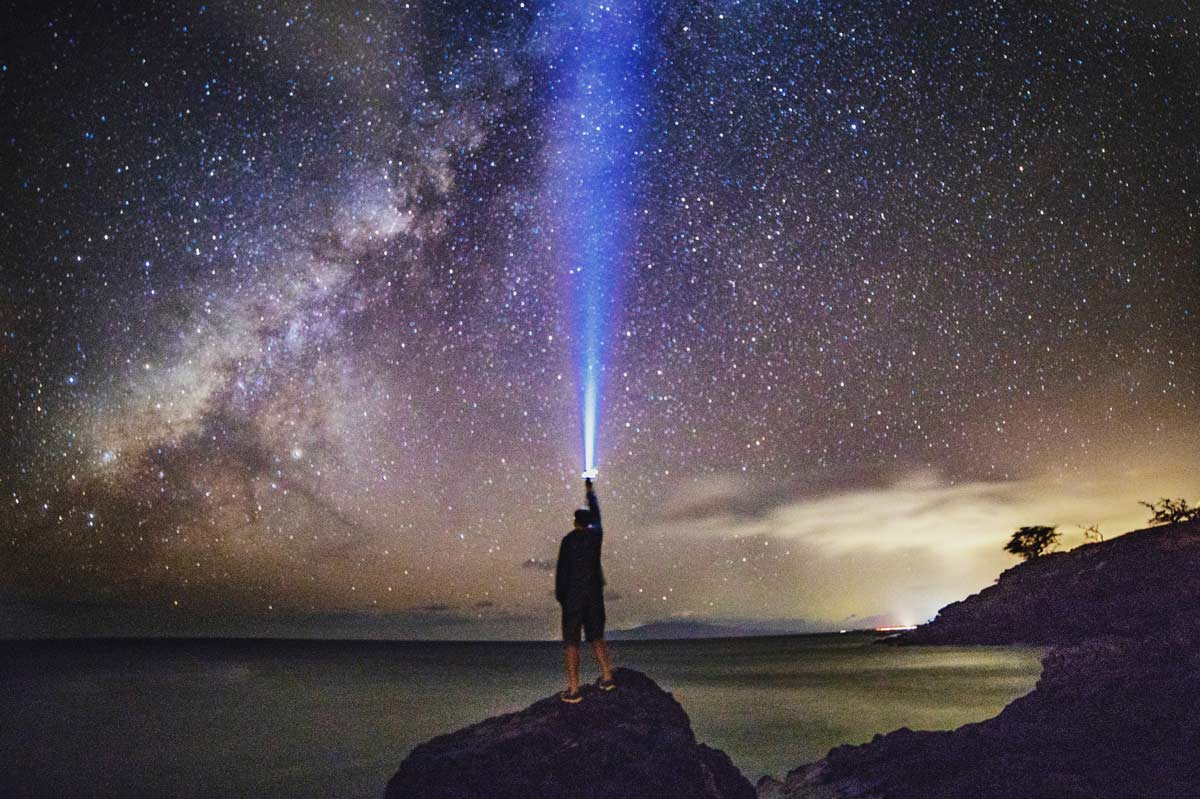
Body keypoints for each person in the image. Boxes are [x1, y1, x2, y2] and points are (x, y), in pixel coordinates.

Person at [555, 475, 615, 703]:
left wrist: (562, 597)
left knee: (571, 642)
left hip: (572, 596)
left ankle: (573, 690)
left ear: (575, 522)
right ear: (589, 522)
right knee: (596, 636)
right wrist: (590, 492)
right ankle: (607, 677)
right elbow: (598, 514)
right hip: (593, 595)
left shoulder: (568, 541)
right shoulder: (595, 536)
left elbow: (561, 571)